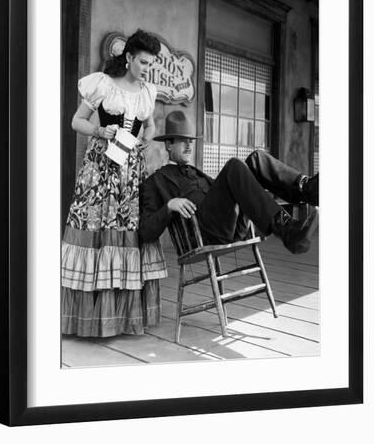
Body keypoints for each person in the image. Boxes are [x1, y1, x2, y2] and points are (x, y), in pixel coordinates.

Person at [61, 29, 167, 338]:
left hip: (129, 171)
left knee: (126, 232)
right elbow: (76, 121)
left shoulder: (148, 92)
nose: (147, 69)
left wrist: (144, 141)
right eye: (144, 62)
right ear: (130, 57)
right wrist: (99, 132)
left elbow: (150, 125)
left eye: (151, 64)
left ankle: (122, 317)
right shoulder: (104, 85)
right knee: (96, 231)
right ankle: (88, 317)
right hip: (100, 169)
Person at [139, 110, 319, 255]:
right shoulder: (155, 182)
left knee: (257, 158)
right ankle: (287, 230)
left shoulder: (195, 172)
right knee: (234, 165)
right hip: (204, 234)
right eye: (182, 141)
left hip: (230, 225)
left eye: (191, 141)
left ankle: (309, 189)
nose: (189, 146)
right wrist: (170, 205)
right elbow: (146, 232)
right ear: (168, 145)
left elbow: (221, 193)